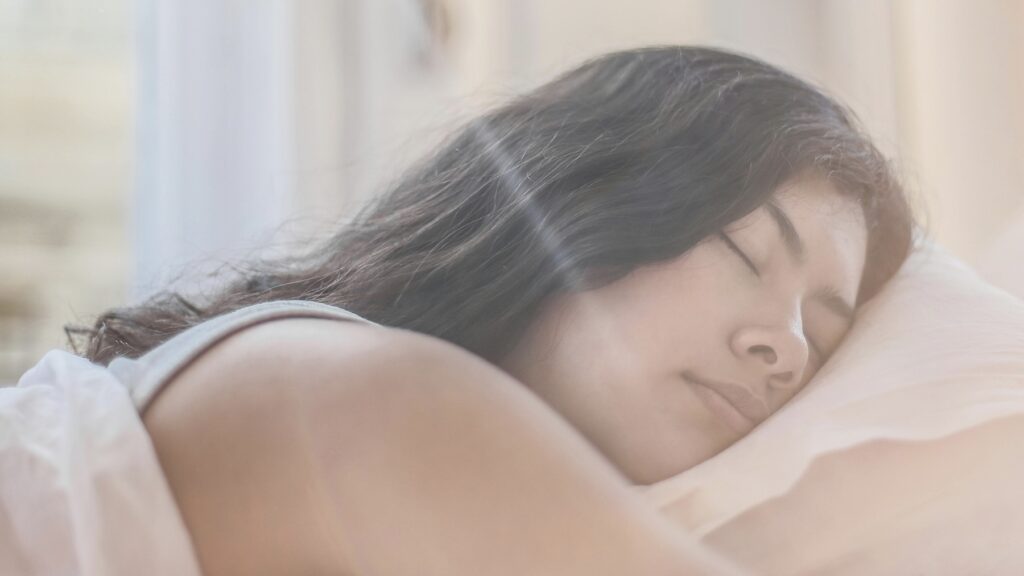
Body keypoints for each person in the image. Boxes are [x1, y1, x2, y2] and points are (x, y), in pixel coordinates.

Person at [70, 46, 912, 574]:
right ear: (579, 198)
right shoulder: (375, 396)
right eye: (744, 252)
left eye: (825, 333)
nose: (790, 349)